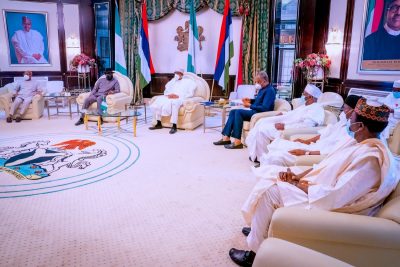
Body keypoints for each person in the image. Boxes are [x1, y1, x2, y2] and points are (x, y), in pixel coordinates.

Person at [229, 98, 398, 267]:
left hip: (333, 206)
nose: (348, 123)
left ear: (361, 126)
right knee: (270, 175)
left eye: (351, 120)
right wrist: (300, 176)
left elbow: (337, 196)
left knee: (269, 191)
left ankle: (254, 254)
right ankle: (259, 229)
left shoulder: (371, 160)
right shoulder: (360, 141)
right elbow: (325, 165)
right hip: (320, 189)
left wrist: (299, 185)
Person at [259, 95, 361, 167]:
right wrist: (306, 141)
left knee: (276, 156)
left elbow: (332, 151)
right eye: (343, 108)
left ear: (353, 111)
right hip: (314, 146)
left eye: (346, 109)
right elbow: (325, 133)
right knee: (277, 144)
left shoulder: (352, 133)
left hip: (318, 152)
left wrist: (307, 152)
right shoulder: (343, 121)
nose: (343, 112)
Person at [246, 84, 325, 162]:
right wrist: (284, 114)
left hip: (289, 128)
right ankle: (256, 154)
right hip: (285, 122)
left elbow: (306, 125)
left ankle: (261, 158)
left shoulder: (316, 108)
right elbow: (293, 114)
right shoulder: (305, 105)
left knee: (262, 130)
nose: (302, 95)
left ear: (310, 97)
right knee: (261, 122)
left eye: (304, 94)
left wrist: (285, 126)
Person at [213, 71, 276, 149]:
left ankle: (237, 142)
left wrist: (250, 105)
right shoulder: (262, 89)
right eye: (256, 81)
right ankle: (226, 138)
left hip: (259, 114)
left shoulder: (270, 90)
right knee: (233, 111)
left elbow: (265, 108)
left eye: (258, 81)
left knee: (238, 112)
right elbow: (259, 101)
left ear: (264, 80)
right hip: (255, 111)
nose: (257, 83)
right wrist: (250, 100)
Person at [149, 68, 196, 134]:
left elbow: (190, 93)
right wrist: (169, 95)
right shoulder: (172, 81)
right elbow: (167, 90)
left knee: (174, 103)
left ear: (181, 74)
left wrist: (178, 96)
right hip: (170, 97)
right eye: (175, 73)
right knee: (158, 100)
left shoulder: (188, 82)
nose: (176, 74)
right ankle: (158, 123)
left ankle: (174, 126)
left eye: (177, 73)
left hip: (180, 98)